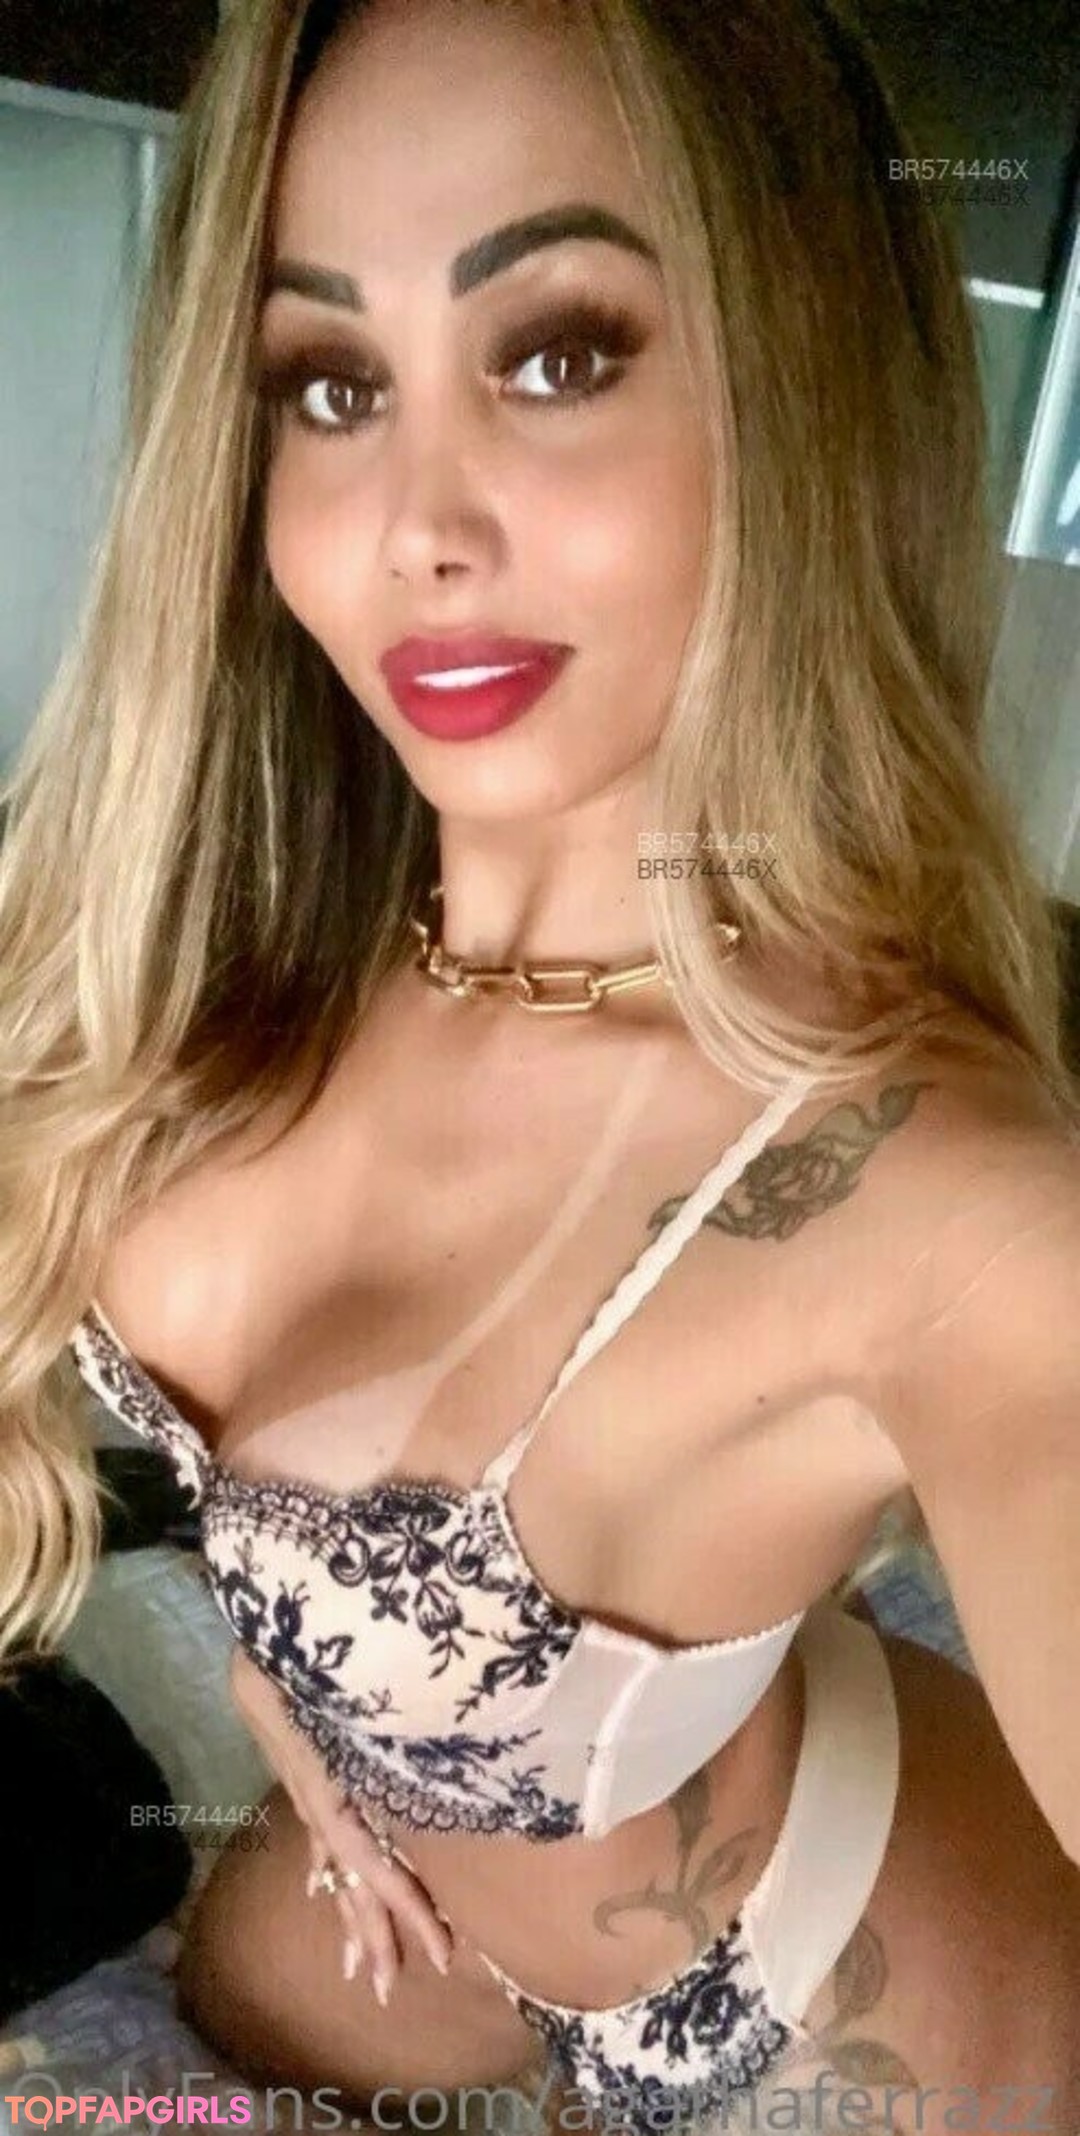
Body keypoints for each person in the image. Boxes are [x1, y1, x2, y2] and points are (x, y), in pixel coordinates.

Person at [1, 0, 1078, 2126]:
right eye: (331, 385)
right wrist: (306, 1710)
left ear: (807, 396)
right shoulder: (250, 955)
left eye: (560, 354)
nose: (419, 525)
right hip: (413, 1911)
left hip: (827, 1975)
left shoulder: (954, 1210)